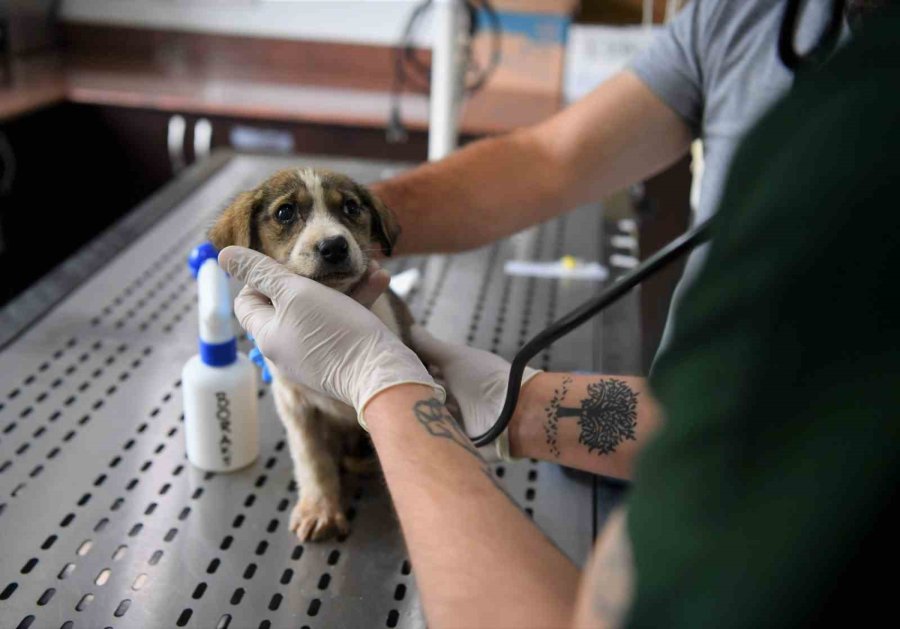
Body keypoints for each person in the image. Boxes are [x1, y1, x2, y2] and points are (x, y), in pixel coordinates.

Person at [218, 7, 900, 626]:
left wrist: (384, 386)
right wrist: (521, 406)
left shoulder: (866, 129)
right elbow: (547, 159)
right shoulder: (752, 15)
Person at [362, 0, 856, 456]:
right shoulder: (753, 13)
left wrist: (518, 410)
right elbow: (548, 162)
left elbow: (790, 436)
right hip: (678, 462)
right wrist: (351, 221)